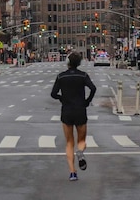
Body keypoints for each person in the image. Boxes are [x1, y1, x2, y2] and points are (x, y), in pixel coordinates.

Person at [50, 51, 97, 182]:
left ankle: (72, 172)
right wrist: (87, 101)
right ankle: (80, 152)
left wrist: (62, 98)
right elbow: (93, 88)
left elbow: (53, 94)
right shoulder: (83, 76)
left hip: (67, 111)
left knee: (69, 142)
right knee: (81, 141)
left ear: (68, 63)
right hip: (80, 110)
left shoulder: (61, 76)